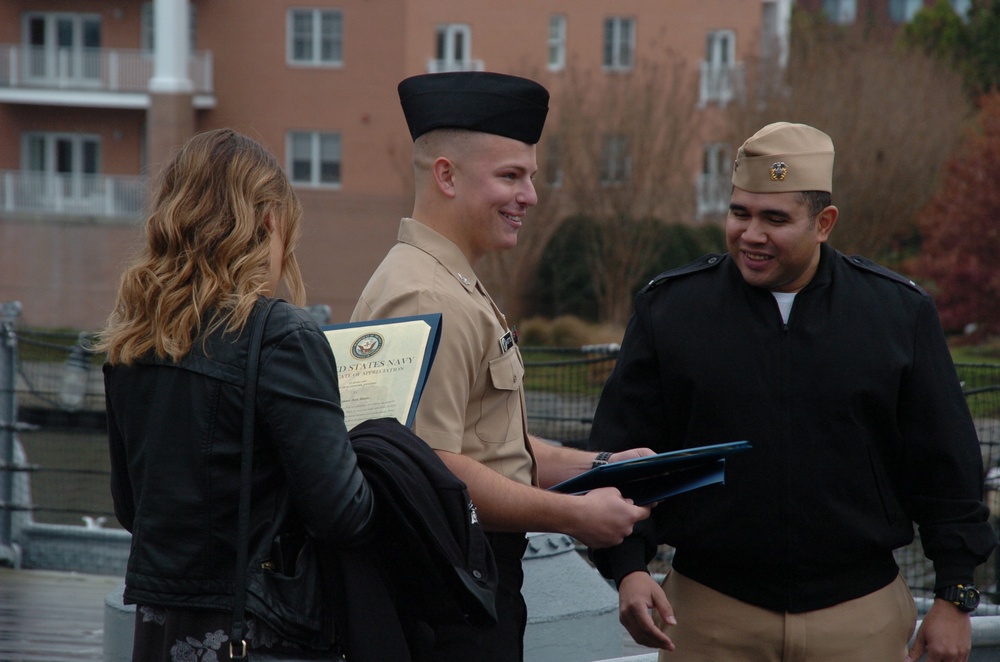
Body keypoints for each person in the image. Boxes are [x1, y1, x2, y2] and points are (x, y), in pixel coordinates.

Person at [588, 121, 997, 662]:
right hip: (710, 615)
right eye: (740, 213)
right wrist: (629, 570)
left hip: (859, 617)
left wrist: (955, 594)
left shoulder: (897, 315)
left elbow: (945, 464)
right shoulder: (671, 312)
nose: (751, 234)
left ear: (824, 223)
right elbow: (624, 455)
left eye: (775, 218)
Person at [351, 71, 653, 660]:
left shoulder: (447, 281)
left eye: (530, 177)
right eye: (510, 176)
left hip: (466, 583)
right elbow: (433, 472)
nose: (530, 196)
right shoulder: (424, 297)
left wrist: (599, 464)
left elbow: (489, 446)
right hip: (447, 597)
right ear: (446, 175)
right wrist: (575, 515)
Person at [99, 128, 375, 661]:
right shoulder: (280, 337)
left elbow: (133, 509)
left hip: (161, 629)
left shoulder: (132, 341)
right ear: (269, 220)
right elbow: (344, 513)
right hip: (254, 633)